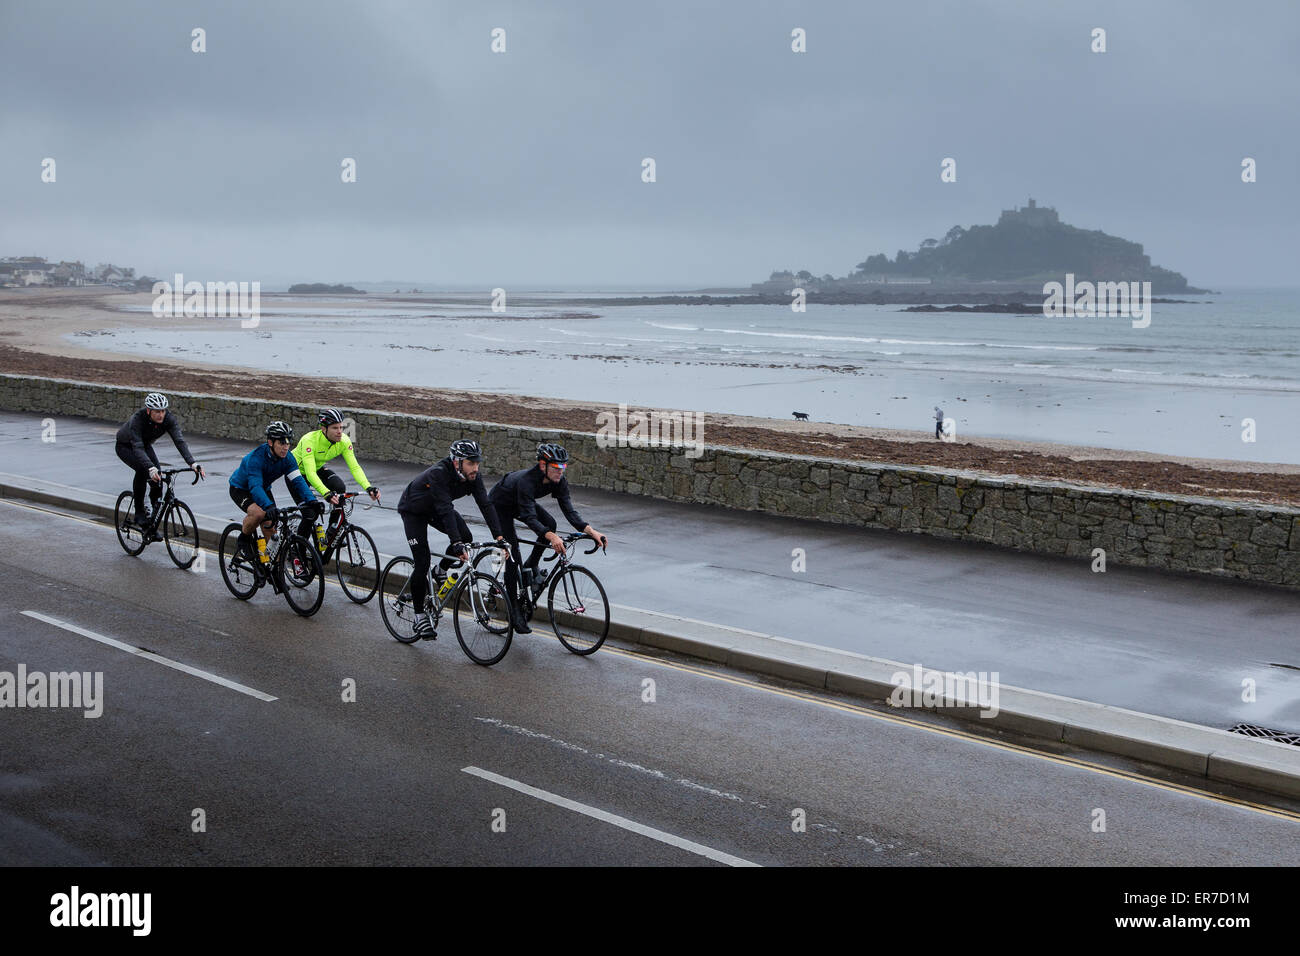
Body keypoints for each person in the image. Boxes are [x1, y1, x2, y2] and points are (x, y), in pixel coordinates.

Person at [489, 442, 608, 634]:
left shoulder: (559, 481)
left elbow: (569, 511)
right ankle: (514, 612)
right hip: (498, 505)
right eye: (556, 467)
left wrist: (592, 532)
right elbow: (529, 517)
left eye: (564, 466)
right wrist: (552, 537)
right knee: (511, 556)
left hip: (520, 504)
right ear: (543, 466)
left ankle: (531, 564)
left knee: (550, 524)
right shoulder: (527, 481)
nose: (560, 471)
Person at [396, 439, 509, 640]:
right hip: (414, 510)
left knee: (466, 537)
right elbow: (446, 510)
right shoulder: (438, 473)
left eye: (477, 463)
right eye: (470, 463)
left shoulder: (474, 477)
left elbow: (486, 505)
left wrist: (499, 537)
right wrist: (455, 543)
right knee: (422, 562)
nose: (475, 468)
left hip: (437, 509)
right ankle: (419, 615)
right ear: (456, 462)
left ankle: (440, 570)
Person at [228, 421, 322, 565]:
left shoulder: (288, 458)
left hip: (263, 489)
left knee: (271, 527)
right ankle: (244, 539)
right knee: (259, 514)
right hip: (241, 489)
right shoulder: (256, 458)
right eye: (282, 443)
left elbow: (298, 481)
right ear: (270, 442)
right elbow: (255, 486)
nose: (286, 447)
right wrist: (268, 506)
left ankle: (274, 567)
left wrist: (311, 500)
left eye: (288, 443)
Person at [114, 392, 205, 537]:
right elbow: (137, 447)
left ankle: (151, 524)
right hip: (126, 446)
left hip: (144, 445)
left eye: (163, 411)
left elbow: (179, 441)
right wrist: (150, 468)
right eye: (157, 411)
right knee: (143, 470)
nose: (161, 415)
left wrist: (193, 463)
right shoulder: (137, 419)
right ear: (149, 411)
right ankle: (139, 513)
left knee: (158, 478)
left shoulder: (168, 419)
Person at [291, 407, 379, 540]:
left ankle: (332, 530)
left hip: (317, 468)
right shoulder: (309, 440)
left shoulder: (344, 441)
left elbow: (354, 467)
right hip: (296, 473)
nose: (339, 432)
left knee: (339, 487)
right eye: (335, 428)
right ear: (323, 429)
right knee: (310, 514)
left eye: (341, 427)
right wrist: (326, 493)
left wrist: (368, 487)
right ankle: (298, 553)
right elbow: (309, 473)